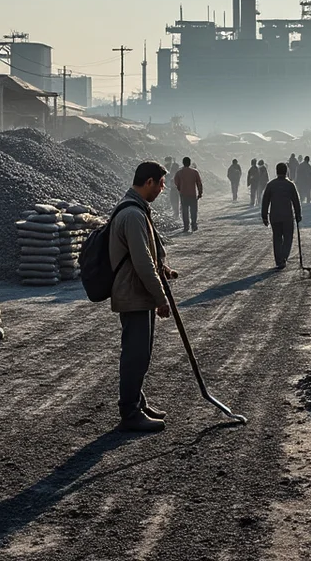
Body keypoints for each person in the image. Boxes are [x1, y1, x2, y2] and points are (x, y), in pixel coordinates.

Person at [109, 161, 180, 433]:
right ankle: (129, 413)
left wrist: (165, 270)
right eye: (161, 184)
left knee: (142, 352)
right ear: (149, 182)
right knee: (135, 354)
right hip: (133, 293)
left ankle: (138, 403)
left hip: (138, 292)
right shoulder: (132, 214)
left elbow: (148, 254)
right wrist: (161, 298)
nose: (163, 189)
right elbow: (142, 262)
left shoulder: (138, 210)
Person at [261, 162, 302, 270]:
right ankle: (283, 257)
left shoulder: (271, 185)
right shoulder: (290, 185)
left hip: (275, 216)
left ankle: (279, 260)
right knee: (288, 237)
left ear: (276, 171)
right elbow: (296, 201)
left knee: (277, 238)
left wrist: (264, 216)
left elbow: (265, 201)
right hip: (287, 216)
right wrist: (298, 214)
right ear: (286, 171)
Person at [173, 156, 203, 233]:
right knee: (193, 210)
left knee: (185, 211)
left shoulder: (179, 172)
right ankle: (194, 224)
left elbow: (176, 182)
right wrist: (200, 193)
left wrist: (180, 188)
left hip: (183, 194)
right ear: (189, 163)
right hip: (192, 194)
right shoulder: (195, 172)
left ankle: (186, 226)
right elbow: (199, 183)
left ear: (183, 163)